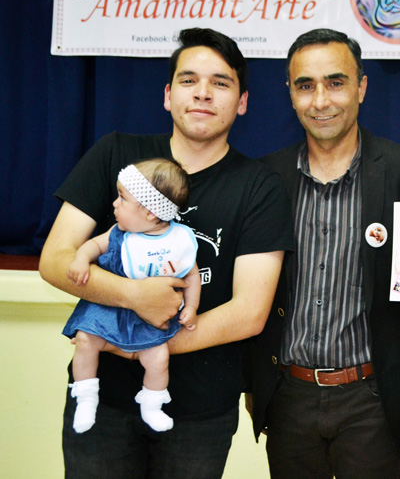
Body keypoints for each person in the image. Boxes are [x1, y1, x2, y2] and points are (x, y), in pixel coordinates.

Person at [39, 27, 293, 479]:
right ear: (167, 94)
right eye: (188, 79)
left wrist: (139, 346)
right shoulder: (117, 154)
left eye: (220, 83)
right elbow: (56, 260)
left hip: (201, 413)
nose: (202, 93)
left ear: (242, 102)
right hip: (102, 400)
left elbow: (249, 313)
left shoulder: (261, 187)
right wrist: (134, 297)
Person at [247, 28, 400, 478]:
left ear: (361, 87)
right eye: (305, 85)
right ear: (290, 93)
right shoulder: (265, 179)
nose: (321, 101)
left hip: (373, 399)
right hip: (288, 398)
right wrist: (255, 384)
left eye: (335, 82)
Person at [63, 158, 201, 434]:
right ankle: (86, 397)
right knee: (86, 340)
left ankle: (152, 404)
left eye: (122, 198)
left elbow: (192, 276)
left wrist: (192, 307)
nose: (114, 203)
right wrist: (81, 259)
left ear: (150, 212)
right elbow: (93, 245)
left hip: (150, 319)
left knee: (158, 358)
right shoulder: (117, 234)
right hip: (109, 308)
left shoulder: (179, 241)